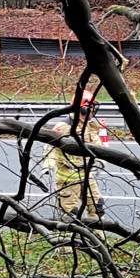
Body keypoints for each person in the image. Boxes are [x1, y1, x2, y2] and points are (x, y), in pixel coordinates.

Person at [44, 90, 106, 220]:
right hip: (68, 178)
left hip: (86, 175)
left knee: (97, 206)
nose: (91, 113)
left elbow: (98, 146)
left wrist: (100, 161)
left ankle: (96, 236)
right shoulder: (64, 127)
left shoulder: (90, 126)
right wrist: (48, 165)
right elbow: (50, 146)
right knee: (70, 214)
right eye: (88, 109)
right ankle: (69, 239)